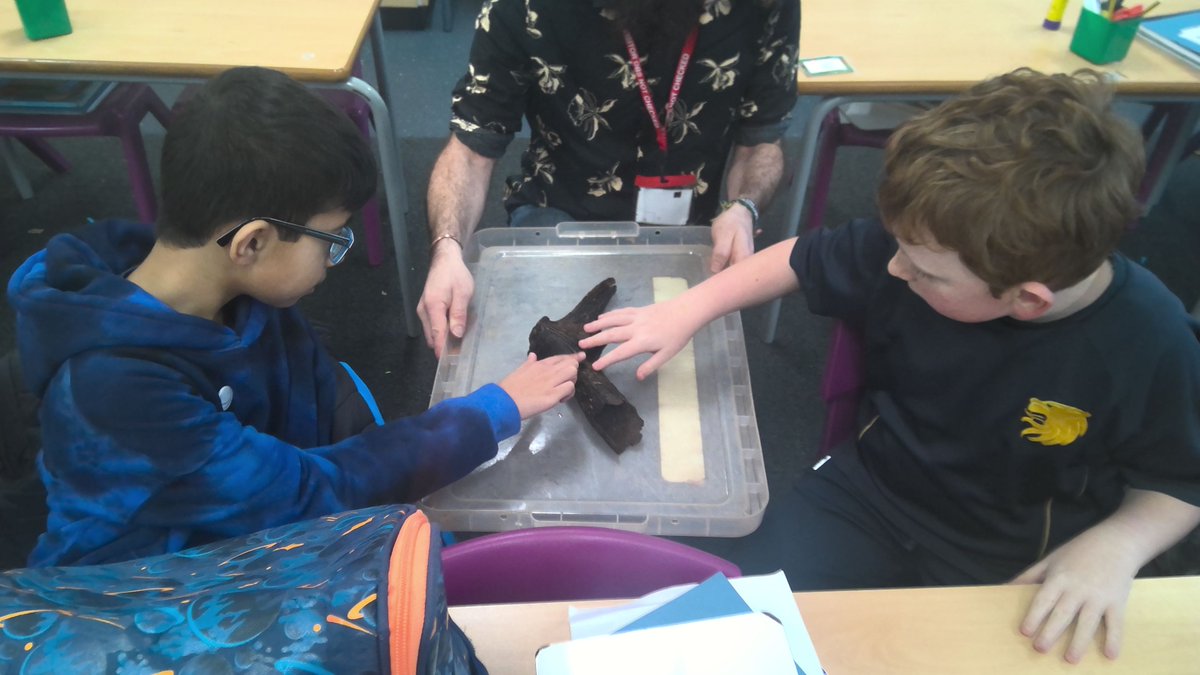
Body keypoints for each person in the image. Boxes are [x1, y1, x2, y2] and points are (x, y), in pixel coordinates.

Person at [579, 68, 1200, 663]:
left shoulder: (1151, 339)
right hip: (866, 495)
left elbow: (1179, 480)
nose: (895, 270)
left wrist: (1115, 547)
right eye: (898, 249)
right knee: (732, 633)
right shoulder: (935, 241)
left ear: (1027, 298)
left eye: (924, 272)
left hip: (1009, 553)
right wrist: (690, 308)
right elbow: (803, 258)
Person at [7, 67, 583, 568]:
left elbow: (325, 421)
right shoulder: (116, 391)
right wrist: (493, 410)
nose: (336, 258)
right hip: (147, 592)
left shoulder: (235, 288)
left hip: (260, 515)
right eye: (331, 239)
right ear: (251, 243)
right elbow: (311, 492)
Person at [418, 0, 800, 357]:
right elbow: (471, 148)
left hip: (690, 228)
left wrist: (743, 206)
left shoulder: (761, 6)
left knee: (677, 382)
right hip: (558, 209)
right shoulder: (525, 6)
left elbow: (761, 139)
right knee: (540, 360)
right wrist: (448, 248)